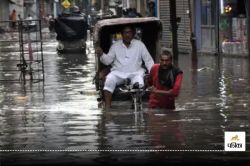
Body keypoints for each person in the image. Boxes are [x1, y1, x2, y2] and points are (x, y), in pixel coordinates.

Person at [96, 26, 154, 109]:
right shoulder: (115, 46)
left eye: (129, 32)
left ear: (133, 34)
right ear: (122, 34)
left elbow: (148, 61)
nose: (127, 35)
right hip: (118, 73)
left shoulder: (140, 45)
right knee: (109, 81)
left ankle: (136, 105)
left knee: (139, 83)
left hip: (135, 72)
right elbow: (108, 61)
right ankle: (108, 108)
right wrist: (102, 54)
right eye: (125, 32)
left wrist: (152, 74)